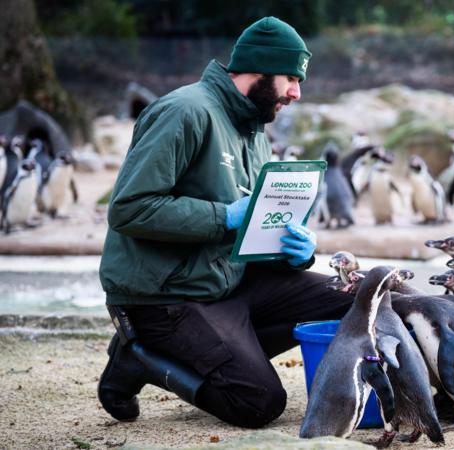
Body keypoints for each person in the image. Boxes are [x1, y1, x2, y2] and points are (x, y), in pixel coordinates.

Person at [96, 16, 353, 429]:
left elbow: (252, 226)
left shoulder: (253, 128)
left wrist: (293, 250)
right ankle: (140, 357)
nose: (297, 92)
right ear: (260, 69)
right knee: (258, 402)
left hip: (228, 281)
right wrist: (226, 216)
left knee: (357, 296)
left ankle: (223, 348)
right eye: (291, 77)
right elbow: (128, 208)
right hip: (167, 297)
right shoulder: (184, 112)